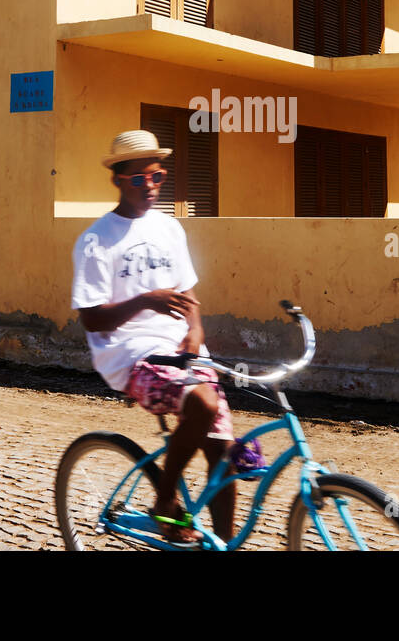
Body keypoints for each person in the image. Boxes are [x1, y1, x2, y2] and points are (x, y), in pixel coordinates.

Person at [70, 130, 235, 545]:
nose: (151, 187)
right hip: (130, 355)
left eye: (158, 177)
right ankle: (164, 502)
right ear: (118, 180)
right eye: (140, 179)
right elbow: (92, 319)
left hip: (181, 353)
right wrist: (146, 300)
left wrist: (195, 332)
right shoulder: (96, 240)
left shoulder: (169, 228)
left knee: (224, 457)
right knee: (202, 402)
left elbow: (188, 295)